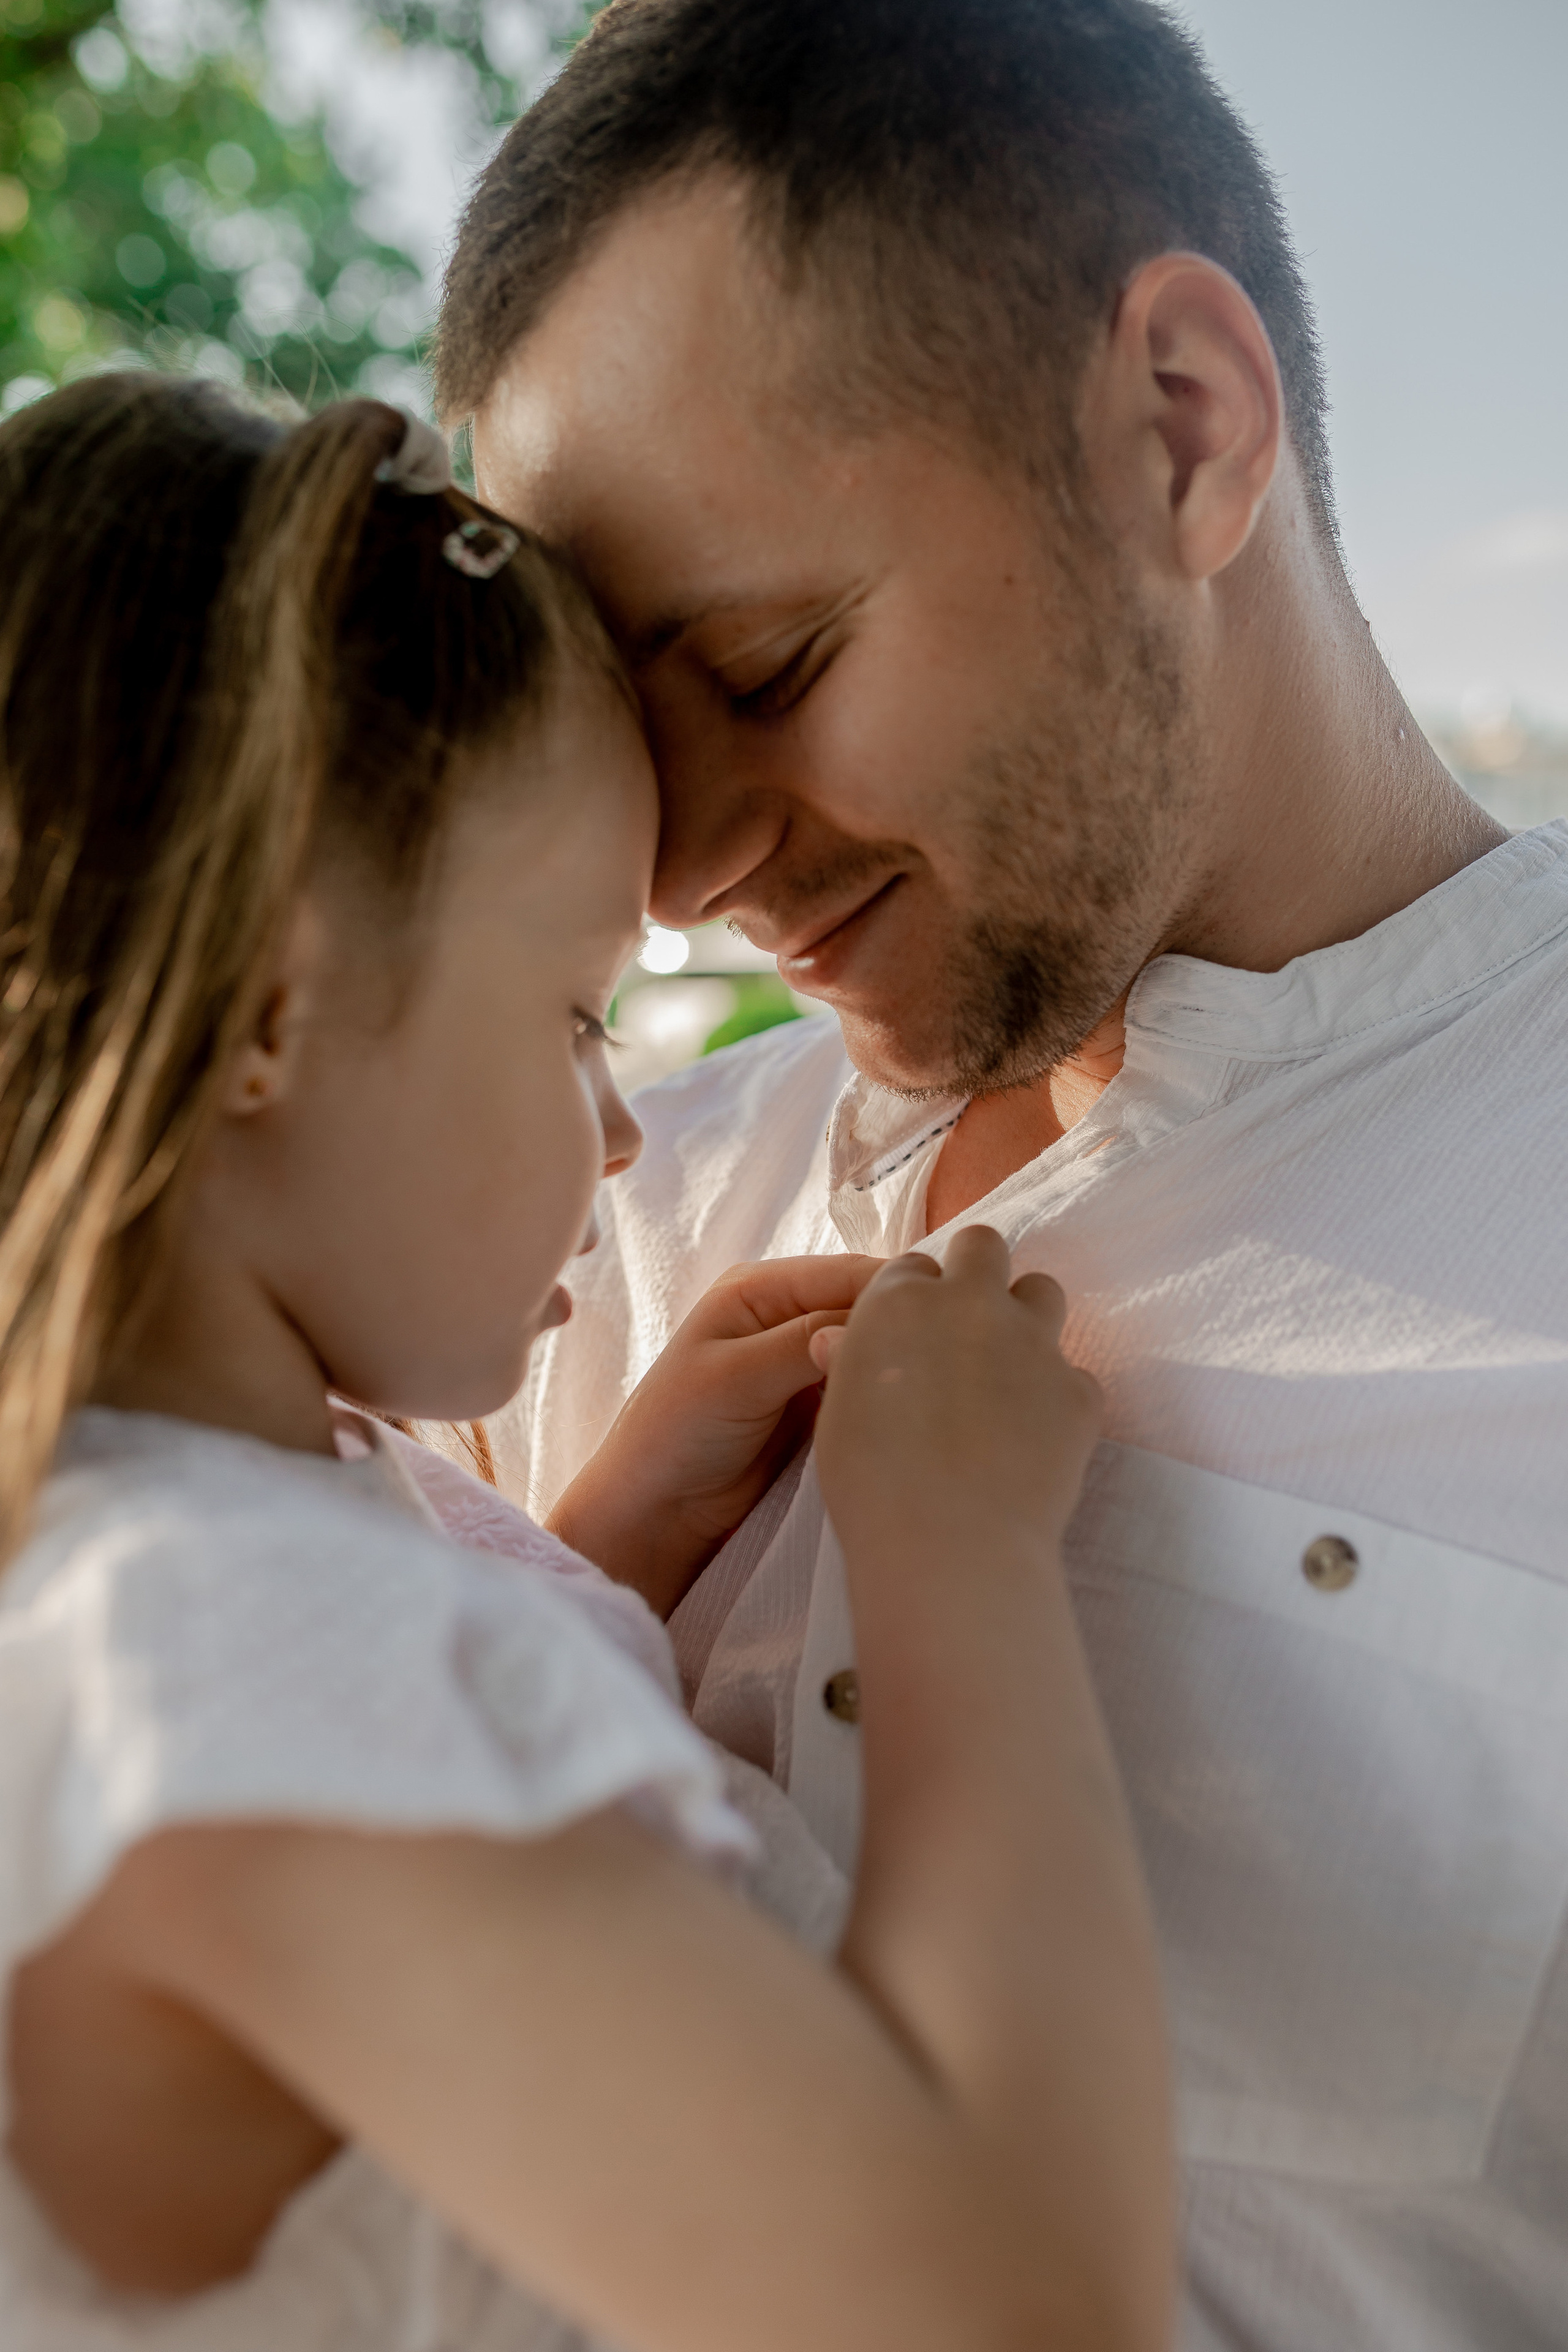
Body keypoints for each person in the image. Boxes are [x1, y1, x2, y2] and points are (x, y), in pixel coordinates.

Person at [435, 0, 1568, 2342]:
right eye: (628, 747)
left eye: (761, 668)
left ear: (1183, 428)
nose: (686, 878)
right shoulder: (565, 1227)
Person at [0, 373, 1170, 2352]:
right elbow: (1020, 2317)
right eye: (569, 1011)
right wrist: (956, 1563)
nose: (626, 1130)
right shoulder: (218, 1654)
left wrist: (597, 1562)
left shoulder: (169, 1563)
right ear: (270, 1013)